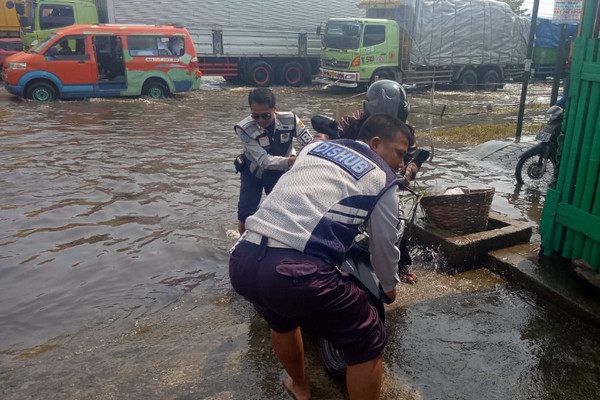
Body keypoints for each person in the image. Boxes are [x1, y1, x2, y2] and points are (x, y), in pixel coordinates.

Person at [229, 113, 410, 400]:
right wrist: (389, 286)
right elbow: (384, 246)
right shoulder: (382, 178)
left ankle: (300, 387)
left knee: (281, 321)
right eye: (399, 154)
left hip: (244, 259)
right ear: (376, 143)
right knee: (368, 337)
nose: (401, 164)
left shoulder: (313, 149)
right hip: (295, 272)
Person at [338, 79, 422, 284]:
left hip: (386, 180)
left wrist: (406, 173)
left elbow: (413, 159)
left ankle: (402, 267)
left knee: (398, 221)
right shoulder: (351, 121)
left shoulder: (406, 131)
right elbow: (328, 136)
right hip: (348, 178)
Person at [234, 87, 313, 235]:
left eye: (265, 116)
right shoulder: (243, 128)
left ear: (274, 108)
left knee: (283, 212)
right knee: (246, 215)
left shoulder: (291, 120)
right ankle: (240, 245)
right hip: (253, 172)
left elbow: (310, 144)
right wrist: (291, 161)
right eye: (255, 116)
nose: (260, 121)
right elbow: (263, 160)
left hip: (279, 172)